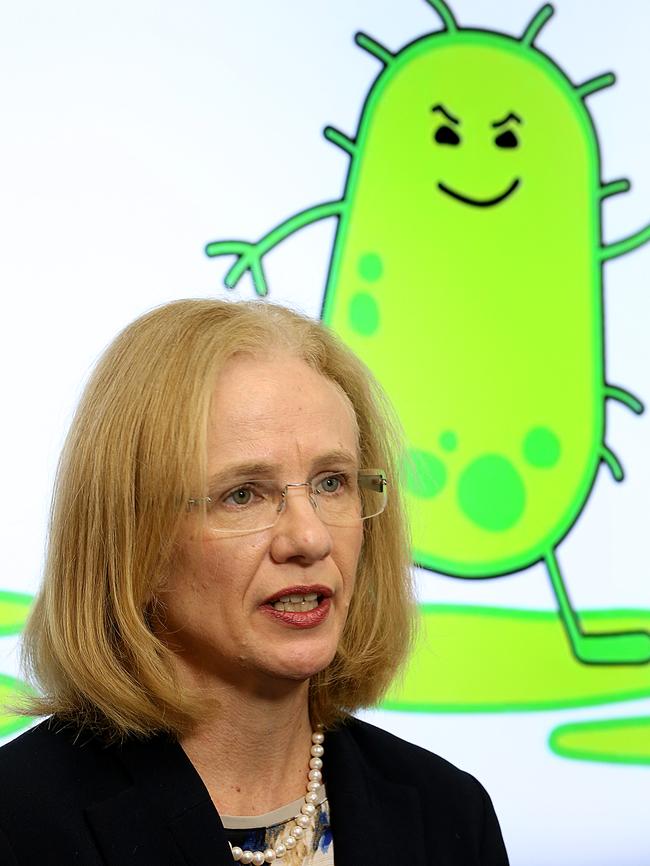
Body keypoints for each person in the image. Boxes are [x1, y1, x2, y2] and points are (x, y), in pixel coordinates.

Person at [0, 299, 509, 865]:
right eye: (243, 494)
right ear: (132, 539)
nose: (310, 538)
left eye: (332, 482)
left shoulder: (448, 815)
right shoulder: (20, 824)